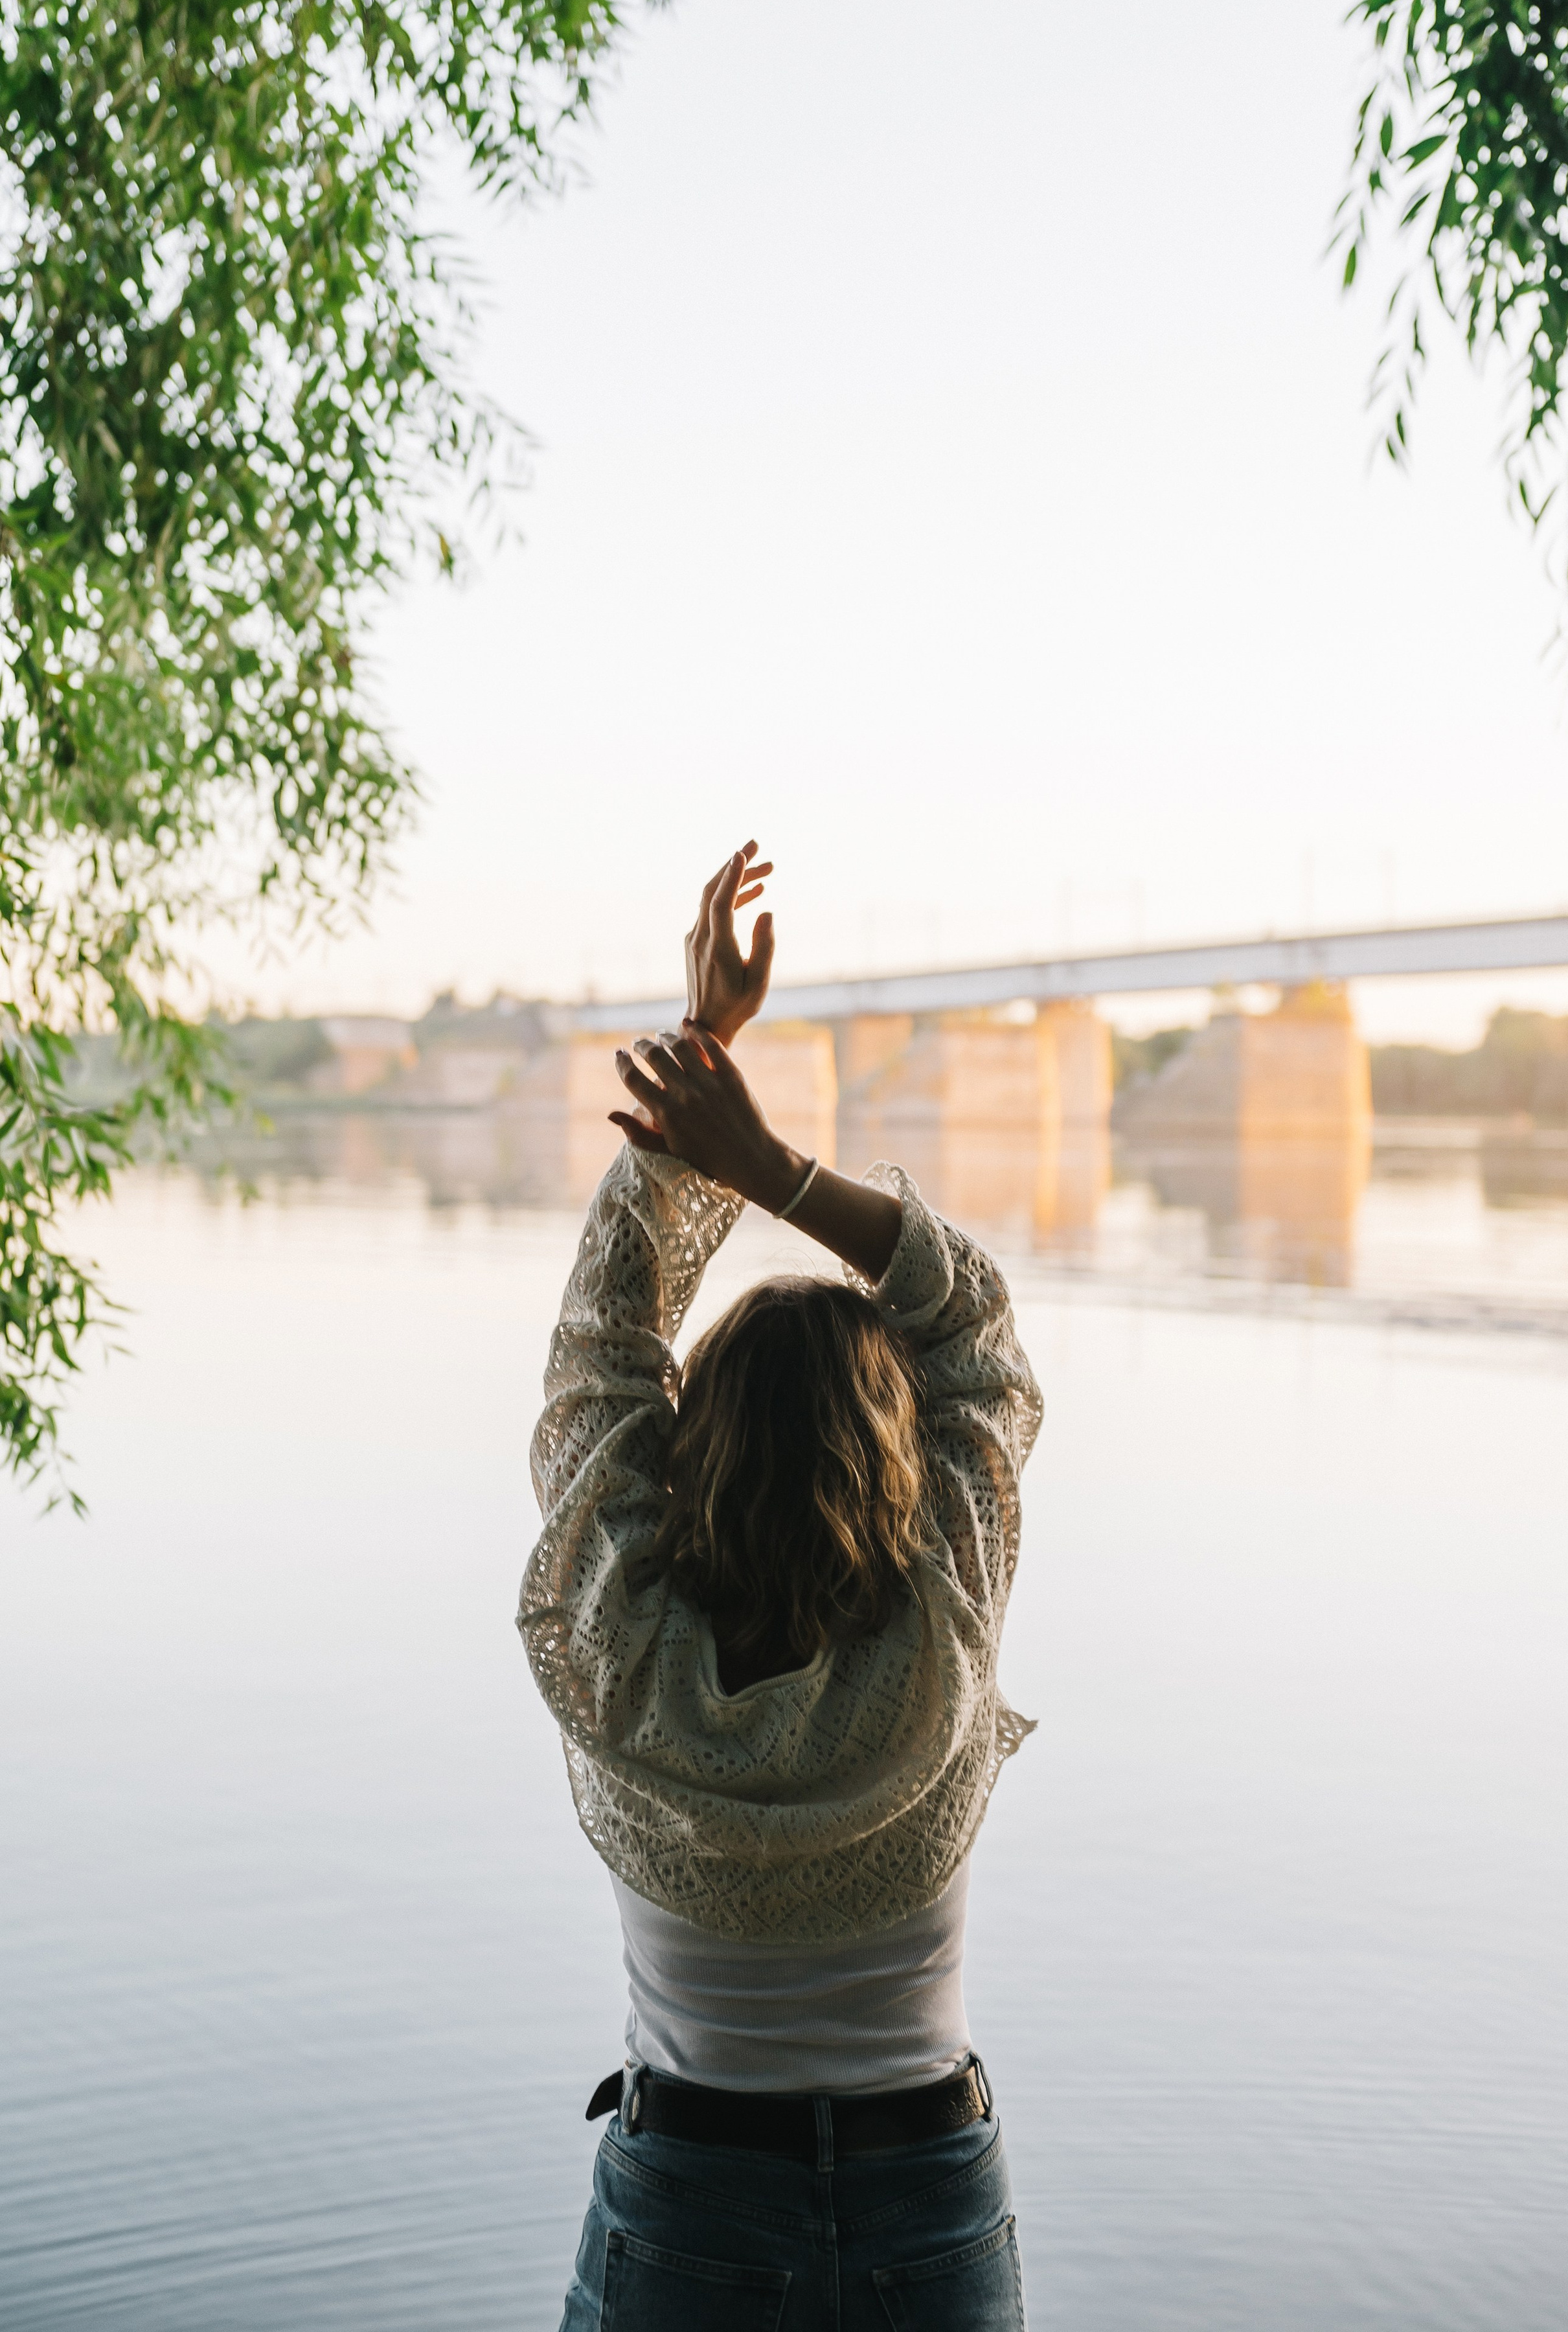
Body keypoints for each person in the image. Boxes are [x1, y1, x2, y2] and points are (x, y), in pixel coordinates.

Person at [518, 842, 1043, 2332]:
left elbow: (597, 1357)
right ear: (897, 1460)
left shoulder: (619, 1644)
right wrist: (771, 1166)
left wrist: (698, 1067)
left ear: (692, 1441)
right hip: (925, 2204)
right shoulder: (943, 1620)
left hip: (687, 2206)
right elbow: (977, 1335)